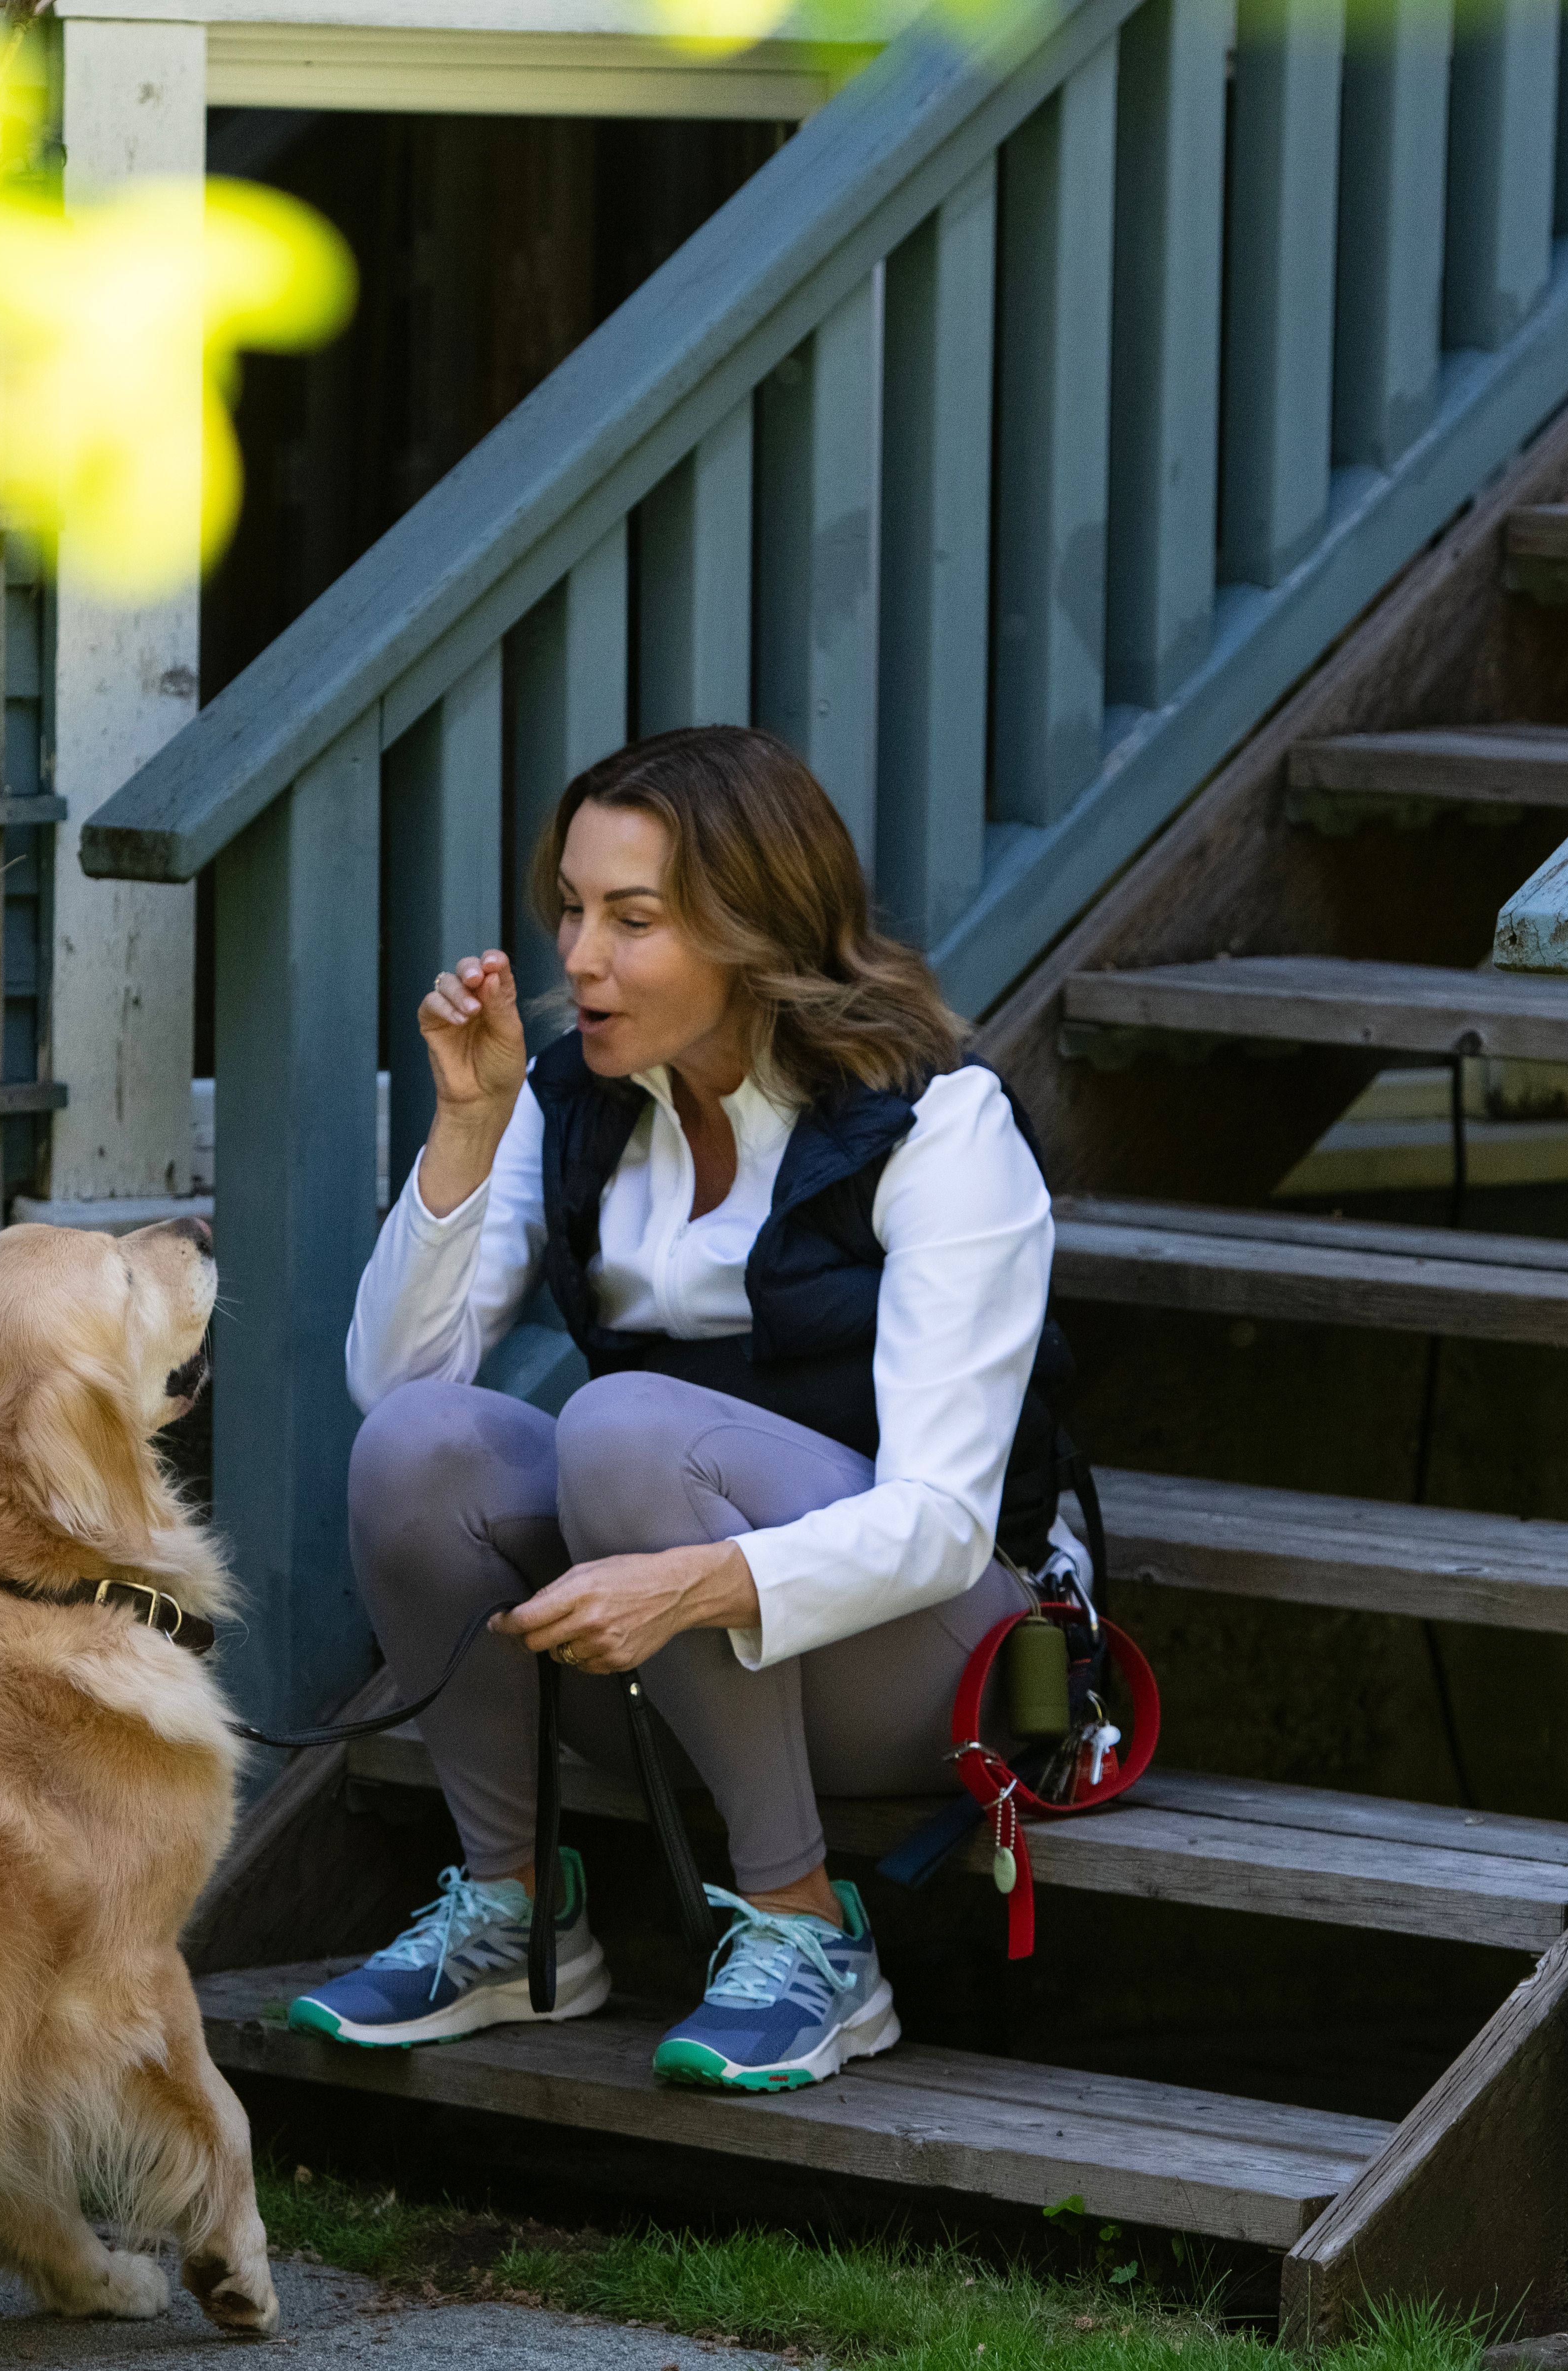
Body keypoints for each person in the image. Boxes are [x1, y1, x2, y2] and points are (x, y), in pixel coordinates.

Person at [289, 725, 1080, 2093]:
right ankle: (515, 1912)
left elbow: (946, 1524)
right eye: (573, 911)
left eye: (632, 921)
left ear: (753, 929)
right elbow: (398, 1389)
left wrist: (691, 1584)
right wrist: (466, 1127)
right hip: (681, 1654)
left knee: (619, 1426)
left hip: (934, 1660)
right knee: (419, 1452)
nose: (578, 959)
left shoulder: (940, 1130)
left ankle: (807, 1934)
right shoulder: (581, 1102)